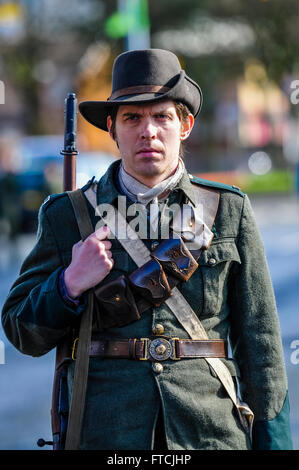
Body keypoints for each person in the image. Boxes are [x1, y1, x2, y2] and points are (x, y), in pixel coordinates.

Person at [1, 49, 293, 451]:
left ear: (185, 125)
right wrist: (68, 283)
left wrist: (273, 443)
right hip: (106, 435)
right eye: (132, 118)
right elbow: (21, 331)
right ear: (112, 129)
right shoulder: (66, 216)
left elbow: (262, 347)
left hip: (208, 433)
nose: (148, 131)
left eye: (162, 116)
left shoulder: (229, 211)